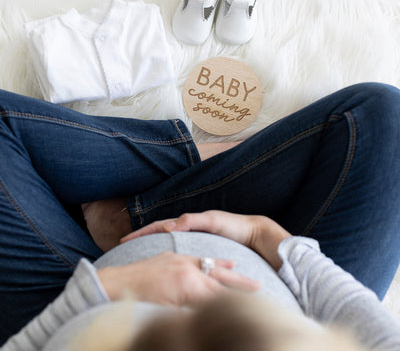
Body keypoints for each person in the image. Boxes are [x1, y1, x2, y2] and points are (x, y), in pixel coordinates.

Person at [1, 82, 400, 350]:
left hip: (71, 301)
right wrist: (262, 234)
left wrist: (99, 289)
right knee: (382, 117)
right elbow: (371, 335)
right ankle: (136, 214)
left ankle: (182, 179)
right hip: (295, 291)